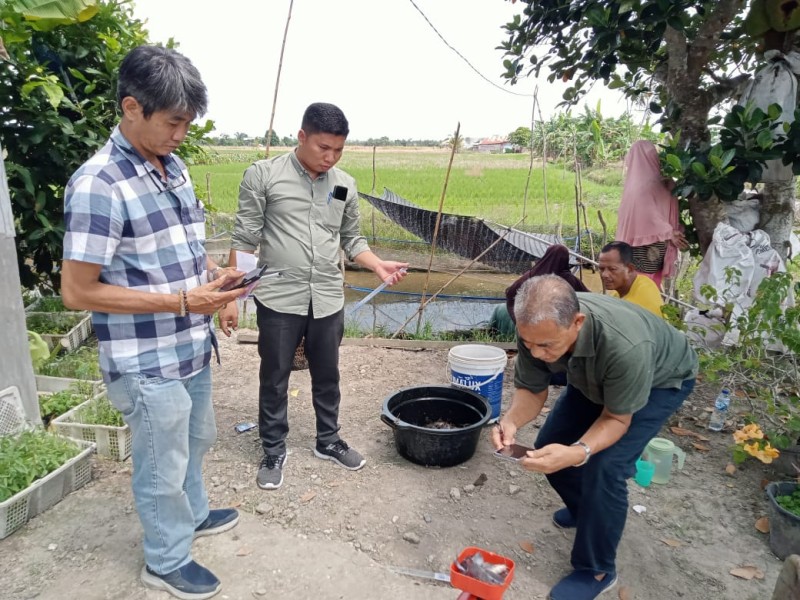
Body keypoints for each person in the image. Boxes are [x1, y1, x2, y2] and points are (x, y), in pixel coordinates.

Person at [61, 45, 245, 600]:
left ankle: (192, 514)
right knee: (161, 461)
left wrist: (216, 278)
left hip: (190, 345)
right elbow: (76, 291)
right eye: (173, 122)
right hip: (145, 358)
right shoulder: (99, 185)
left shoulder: (173, 166)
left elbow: (176, 253)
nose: (181, 134)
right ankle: (165, 560)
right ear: (132, 107)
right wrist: (183, 302)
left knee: (195, 438)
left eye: (189, 123)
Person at [221, 102, 408, 491]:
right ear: (301, 136)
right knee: (274, 375)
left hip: (325, 294)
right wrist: (228, 298)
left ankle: (329, 440)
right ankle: (273, 447)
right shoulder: (264, 176)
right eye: (323, 147)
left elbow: (352, 238)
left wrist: (376, 265)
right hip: (278, 296)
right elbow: (244, 241)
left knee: (328, 373)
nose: (330, 157)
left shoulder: (344, 184)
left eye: (338, 150)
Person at [492, 275, 697, 600]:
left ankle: (597, 569)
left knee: (607, 466)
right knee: (550, 444)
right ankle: (588, 511)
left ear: (577, 322)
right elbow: (531, 389)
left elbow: (616, 419)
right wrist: (512, 421)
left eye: (547, 346)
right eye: (529, 343)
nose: (537, 352)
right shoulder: (536, 329)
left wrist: (578, 452)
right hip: (592, 373)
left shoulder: (623, 345)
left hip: (660, 378)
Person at [615, 140, 688, 289]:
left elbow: (647, 214)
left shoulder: (636, 187)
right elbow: (671, 213)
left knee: (638, 287)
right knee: (651, 285)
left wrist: (669, 233)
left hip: (639, 248)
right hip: (660, 247)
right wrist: (672, 233)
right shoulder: (667, 183)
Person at [489, 244, 589, 337]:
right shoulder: (570, 280)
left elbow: (510, 294)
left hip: (532, 322)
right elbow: (590, 297)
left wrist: (518, 320)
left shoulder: (531, 275)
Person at [598, 241, 664, 317]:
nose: (604, 275)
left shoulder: (635, 303)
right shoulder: (641, 281)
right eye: (601, 269)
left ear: (629, 269)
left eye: (612, 269)